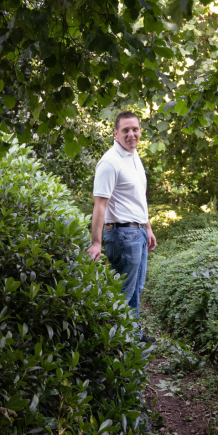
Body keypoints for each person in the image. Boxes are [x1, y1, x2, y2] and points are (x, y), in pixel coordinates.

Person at [86, 111, 157, 343]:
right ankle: (115, 344)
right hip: (122, 235)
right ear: (116, 133)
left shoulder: (133, 156)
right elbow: (100, 205)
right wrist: (96, 242)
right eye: (125, 130)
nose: (131, 134)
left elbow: (138, 198)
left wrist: (147, 227)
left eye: (135, 129)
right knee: (124, 292)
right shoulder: (110, 162)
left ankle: (132, 335)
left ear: (140, 131)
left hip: (137, 231)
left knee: (136, 287)